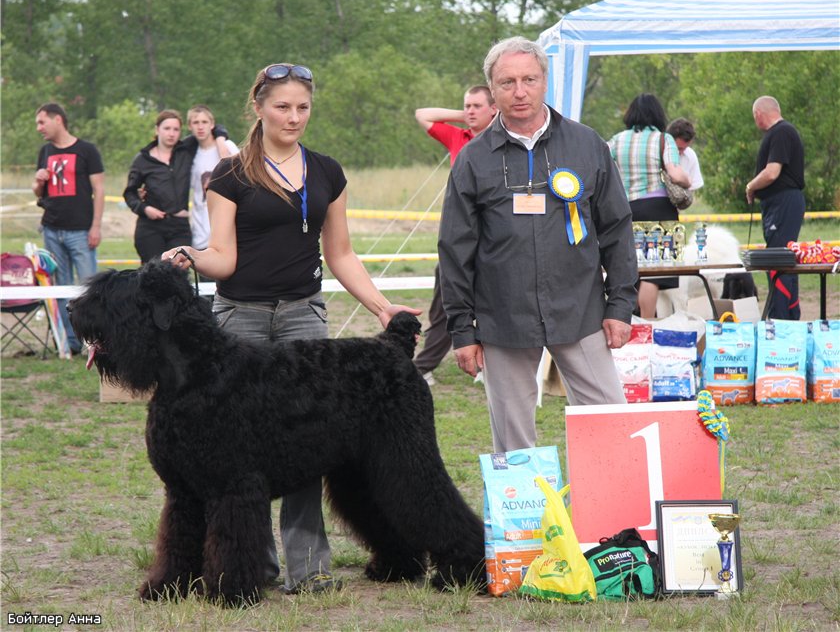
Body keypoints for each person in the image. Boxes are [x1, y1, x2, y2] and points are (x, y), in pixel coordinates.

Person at [162, 63, 420, 594]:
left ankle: (310, 569)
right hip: (240, 322)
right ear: (257, 108)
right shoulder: (230, 177)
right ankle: (252, 566)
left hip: (305, 313)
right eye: (282, 106)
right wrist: (191, 254)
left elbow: (341, 254)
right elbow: (224, 258)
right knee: (241, 456)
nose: (293, 117)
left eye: (303, 107)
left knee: (307, 445)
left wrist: (380, 307)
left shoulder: (328, 172)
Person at [437, 37, 637, 453]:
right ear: (492, 90)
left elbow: (616, 229)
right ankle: (524, 520)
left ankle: (613, 518)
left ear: (546, 81)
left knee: (610, 426)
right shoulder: (472, 159)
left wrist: (620, 305)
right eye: (507, 82)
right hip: (502, 318)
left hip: (580, 310)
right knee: (513, 445)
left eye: (529, 79)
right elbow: (455, 250)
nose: (520, 91)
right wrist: (462, 329)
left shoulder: (587, 145)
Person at [413, 86, 497, 385]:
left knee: (495, 304)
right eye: (467, 106)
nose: (470, 111)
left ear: (494, 108)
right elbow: (422, 114)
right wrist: (465, 117)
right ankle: (424, 366)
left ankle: (491, 364)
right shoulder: (456, 137)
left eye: (477, 106)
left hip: (494, 241)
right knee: (446, 307)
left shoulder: (502, 140)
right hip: (459, 239)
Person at [608, 94, 691, 318]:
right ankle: (646, 323)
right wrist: (687, 181)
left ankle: (630, 322)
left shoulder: (617, 140)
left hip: (626, 209)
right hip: (658, 208)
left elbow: (603, 169)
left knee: (633, 270)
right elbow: (675, 172)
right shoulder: (663, 139)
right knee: (654, 272)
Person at [32, 102, 105, 355]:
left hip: (81, 230)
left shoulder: (87, 150)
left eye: (42, 122)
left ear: (58, 120)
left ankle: (92, 344)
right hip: (52, 229)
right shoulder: (45, 151)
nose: (39, 128)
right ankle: (70, 344)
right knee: (60, 288)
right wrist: (38, 182)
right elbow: (39, 192)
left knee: (88, 290)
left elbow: (100, 190)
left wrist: (95, 226)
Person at [746, 96, 805, 320]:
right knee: (783, 257)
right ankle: (788, 315)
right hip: (778, 203)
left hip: (783, 201)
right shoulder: (781, 133)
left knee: (778, 259)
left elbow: (772, 172)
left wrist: (751, 186)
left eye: (755, 117)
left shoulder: (781, 132)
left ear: (759, 114)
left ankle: (780, 318)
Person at [123, 110, 198, 263]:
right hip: (151, 227)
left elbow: (213, 129)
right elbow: (130, 193)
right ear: (157, 130)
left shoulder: (186, 150)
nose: (171, 133)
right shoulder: (143, 159)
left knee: (178, 273)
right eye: (167, 128)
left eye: (176, 129)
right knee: (153, 276)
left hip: (179, 226)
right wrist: (145, 209)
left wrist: (221, 136)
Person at [185, 105, 239, 250]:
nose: (200, 127)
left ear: (212, 124)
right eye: (196, 123)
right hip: (200, 231)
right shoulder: (190, 155)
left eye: (204, 122)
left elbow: (241, 178)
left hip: (228, 228)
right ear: (190, 126)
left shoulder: (227, 146)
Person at [666, 118, 704, 194]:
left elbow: (692, 189)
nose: (681, 152)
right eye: (678, 148)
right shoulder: (658, 152)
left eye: (684, 148)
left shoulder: (690, 155)